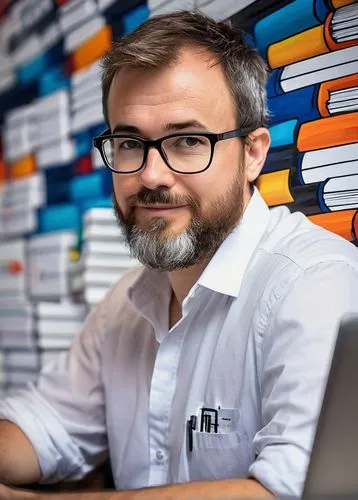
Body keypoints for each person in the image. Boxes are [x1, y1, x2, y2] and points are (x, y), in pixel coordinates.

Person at [0, 10, 357, 500]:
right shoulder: (128, 301)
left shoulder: (316, 285)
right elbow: (40, 428)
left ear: (253, 153)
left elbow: (294, 493)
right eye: (129, 143)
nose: (150, 176)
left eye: (188, 141)